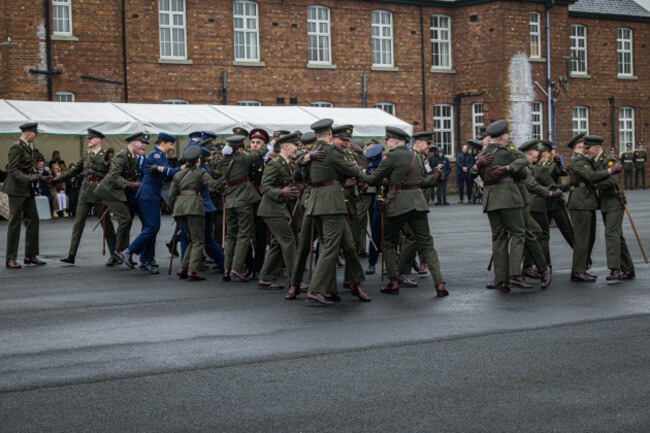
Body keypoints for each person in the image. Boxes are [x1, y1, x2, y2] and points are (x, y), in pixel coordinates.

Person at [364, 126, 448, 297]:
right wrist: (435, 178)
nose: (386, 143)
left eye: (387, 140)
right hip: (417, 203)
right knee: (427, 244)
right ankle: (439, 283)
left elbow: (373, 179)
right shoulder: (416, 156)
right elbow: (422, 181)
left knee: (388, 241)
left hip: (397, 204)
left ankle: (393, 281)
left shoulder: (392, 157)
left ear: (395, 141)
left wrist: (360, 173)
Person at [301, 118, 370, 306]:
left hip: (316, 203)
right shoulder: (330, 151)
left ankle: (348, 284)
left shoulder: (312, 153)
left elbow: (301, 176)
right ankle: (316, 290)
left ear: (316, 135)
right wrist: (371, 176)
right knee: (330, 247)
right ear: (330, 133)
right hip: (331, 204)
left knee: (347, 245)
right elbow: (354, 171)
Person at [473, 120, 529, 292]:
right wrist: (507, 168)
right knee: (518, 233)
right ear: (503, 136)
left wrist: (477, 165)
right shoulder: (507, 152)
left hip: (490, 198)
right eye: (507, 134)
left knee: (498, 237)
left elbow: (471, 172)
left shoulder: (482, 154)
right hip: (507, 197)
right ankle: (514, 275)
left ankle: (501, 278)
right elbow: (525, 159)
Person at [122, 133, 183, 274]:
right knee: (152, 227)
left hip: (151, 195)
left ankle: (146, 260)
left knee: (152, 228)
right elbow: (169, 173)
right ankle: (130, 251)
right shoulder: (156, 155)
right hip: (148, 196)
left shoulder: (160, 156)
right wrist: (182, 169)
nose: (171, 147)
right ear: (164, 143)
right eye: (170, 144)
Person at [566, 134, 622, 282]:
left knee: (589, 238)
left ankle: (582, 269)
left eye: (587, 146)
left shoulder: (584, 160)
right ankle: (578, 271)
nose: (585, 148)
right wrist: (611, 171)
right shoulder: (578, 160)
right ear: (578, 147)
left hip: (588, 203)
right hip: (580, 203)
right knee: (582, 239)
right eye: (582, 145)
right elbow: (591, 176)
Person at [215, 135, 268, 281]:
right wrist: (273, 143)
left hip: (230, 200)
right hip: (244, 200)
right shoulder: (242, 159)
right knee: (244, 234)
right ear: (239, 148)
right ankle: (237, 268)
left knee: (231, 235)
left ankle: (226, 268)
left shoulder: (221, 163)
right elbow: (259, 153)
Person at [170, 146, 223, 281]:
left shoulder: (178, 174)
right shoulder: (201, 172)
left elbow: (171, 196)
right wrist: (224, 179)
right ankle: (192, 271)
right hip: (194, 207)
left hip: (179, 209)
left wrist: (174, 210)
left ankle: (184, 268)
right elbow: (214, 185)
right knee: (199, 240)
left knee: (192, 239)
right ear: (198, 160)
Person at [256, 132, 301, 288]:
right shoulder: (275, 164)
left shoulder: (288, 163)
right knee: (289, 242)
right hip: (272, 210)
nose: (298, 148)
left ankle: (266, 278)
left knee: (277, 244)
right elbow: (264, 187)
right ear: (286, 147)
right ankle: (295, 280)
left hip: (280, 208)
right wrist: (281, 192)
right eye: (296, 145)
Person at [3, 122, 51, 268]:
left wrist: (43, 178)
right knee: (15, 222)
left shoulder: (29, 146)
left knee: (33, 219)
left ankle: (30, 255)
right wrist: (28, 179)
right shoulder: (16, 146)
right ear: (28, 132)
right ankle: (10, 258)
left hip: (27, 189)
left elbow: (31, 169)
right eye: (35, 133)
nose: (36, 136)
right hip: (16, 188)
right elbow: (13, 170)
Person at [96, 132, 148, 266]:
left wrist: (137, 183)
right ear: (134, 143)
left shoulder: (132, 157)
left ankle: (121, 251)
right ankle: (120, 251)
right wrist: (130, 184)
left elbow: (131, 176)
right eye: (142, 143)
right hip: (110, 191)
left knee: (126, 221)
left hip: (121, 192)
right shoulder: (122, 156)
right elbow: (114, 176)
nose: (145, 146)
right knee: (125, 220)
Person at [587, 136, 635, 281]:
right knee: (617, 235)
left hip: (614, 200)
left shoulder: (608, 159)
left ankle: (615, 269)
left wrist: (596, 185)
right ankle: (629, 269)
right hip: (605, 202)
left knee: (611, 234)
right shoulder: (594, 161)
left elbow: (613, 179)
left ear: (596, 148)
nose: (586, 151)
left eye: (588, 149)